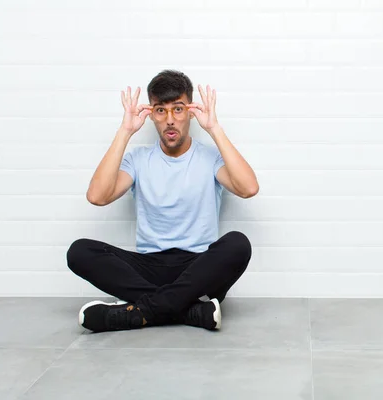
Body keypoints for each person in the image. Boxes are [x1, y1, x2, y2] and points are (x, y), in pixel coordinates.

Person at [66, 70, 259, 333]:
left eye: (178, 109)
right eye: (160, 110)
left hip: (199, 268)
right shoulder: (138, 159)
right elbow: (97, 196)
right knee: (80, 251)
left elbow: (248, 188)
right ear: (151, 115)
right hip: (149, 266)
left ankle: (139, 312)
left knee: (238, 244)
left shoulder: (210, 158)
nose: (170, 120)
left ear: (190, 111)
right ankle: (190, 310)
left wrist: (214, 129)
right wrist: (125, 132)